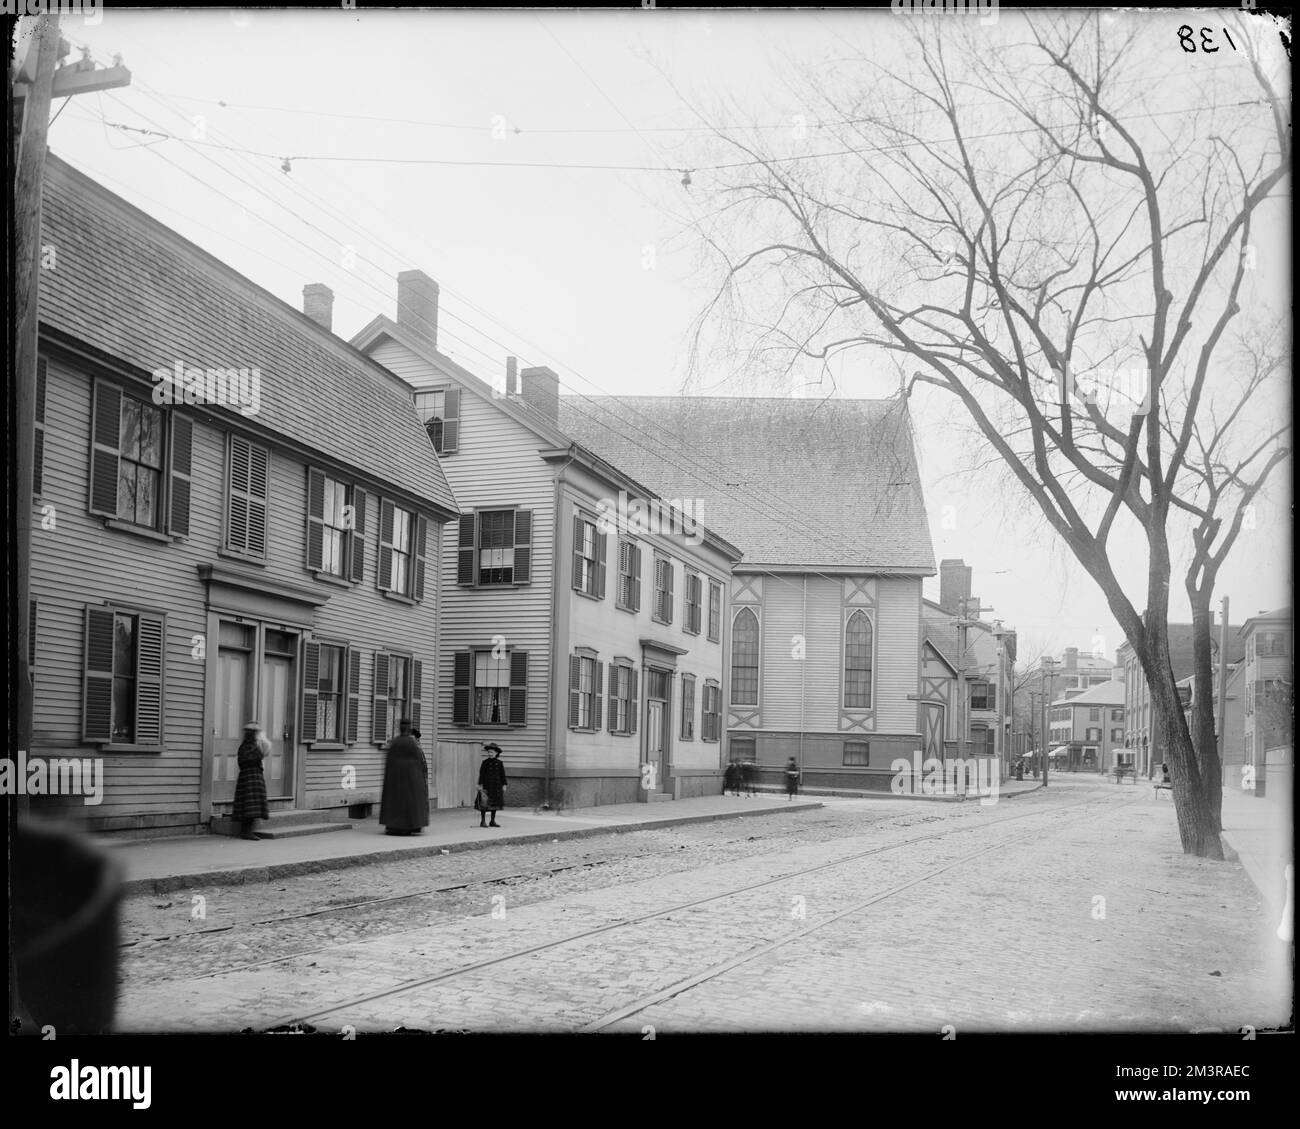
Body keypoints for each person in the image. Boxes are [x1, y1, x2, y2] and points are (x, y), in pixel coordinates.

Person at [379, 718, 429, 836]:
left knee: (398, 803)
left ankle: (396, 826)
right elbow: (419, 764)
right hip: (409, 781)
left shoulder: (396, 743)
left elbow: (390, 763)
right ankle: (411, 825)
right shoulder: (411, 744)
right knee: (408, 803)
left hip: (397, 782)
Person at [232, 721, 271, 840]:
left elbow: (265, 750)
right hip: (251, 776)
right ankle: (246, 832)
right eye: (254, 733)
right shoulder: (249, 747)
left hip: (251, 776)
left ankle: (248, 831)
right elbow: (260, 754)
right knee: (249, 804)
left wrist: (262, 740)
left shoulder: (250, 745)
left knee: (250, 804)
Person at [477, 743, 508, 828]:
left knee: (495, 804)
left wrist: (504, 784)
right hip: (487, 786)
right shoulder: (485, 762)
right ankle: (482, 821)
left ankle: (492, 821)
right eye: (489, 752)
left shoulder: (499, 763)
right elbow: (482, 774)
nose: (490, 754)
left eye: (492, 752)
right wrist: (480, 784)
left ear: (496, 753)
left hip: (496, 786)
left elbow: (502, 775)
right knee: (484, 803)